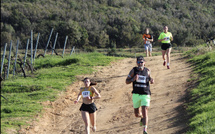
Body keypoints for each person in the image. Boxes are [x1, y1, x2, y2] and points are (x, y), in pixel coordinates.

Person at [125, 56, 154, 134]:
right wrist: (132, 79)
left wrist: (151, 80)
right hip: (136, 94)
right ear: (136, 63)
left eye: (142, 62)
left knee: (145, 111)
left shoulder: (147, 70)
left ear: (144, 63)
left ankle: (145, 130)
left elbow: (150, 78)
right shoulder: (133, 71)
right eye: (139, 62)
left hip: (145, 94)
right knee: (137, 114)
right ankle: (141, 117)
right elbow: (126, 81)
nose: (140, 63)